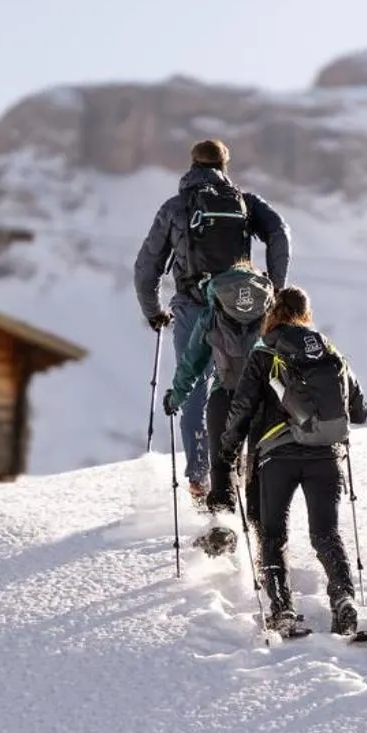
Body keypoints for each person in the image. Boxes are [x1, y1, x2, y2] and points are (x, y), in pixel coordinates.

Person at [134, 138, 290, 501]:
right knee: (242, 384)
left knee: (194, 390)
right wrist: (275, 289)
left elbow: (146, 268)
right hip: (244, 305)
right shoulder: (245, 203)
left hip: (191, 304)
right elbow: (280, 233)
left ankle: (199, 480)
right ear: (225, 164)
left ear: (191, 165)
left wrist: (154, 312)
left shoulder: (176, 208)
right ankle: (244, 467)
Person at [218, 285, 367, 637]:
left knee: (272, 535)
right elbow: (360, 411)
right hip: (327, 456)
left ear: (273, 313)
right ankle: (344, 599)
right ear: (306, 312)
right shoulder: (330, 351)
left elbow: (242, 408)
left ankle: (282, 609)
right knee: (326, 533)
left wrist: (227, 452)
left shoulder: (264, 352)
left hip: (277, 457)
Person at [162, 255, 276, 529]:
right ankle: (263, 534)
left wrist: (175, 397)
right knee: (258, 466)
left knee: (222, 465)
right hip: (265, 400)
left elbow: (192, 363)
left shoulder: (212, 312)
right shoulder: (271, 308)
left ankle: (223, 526)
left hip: (224, 395)